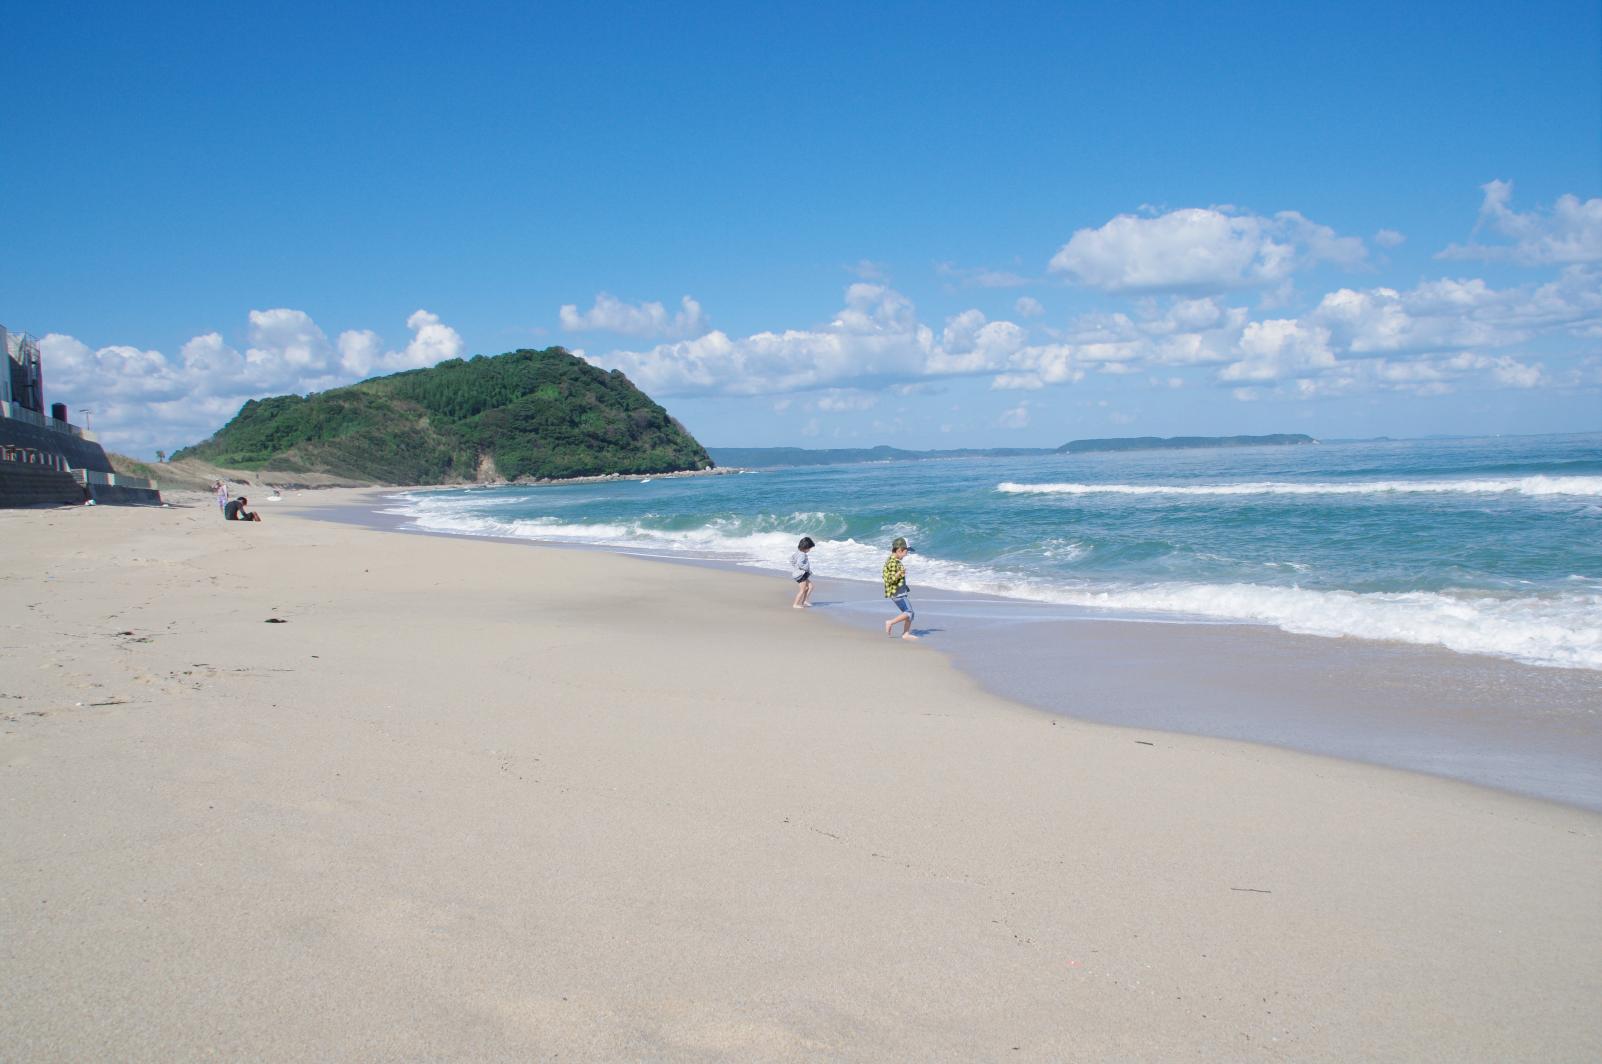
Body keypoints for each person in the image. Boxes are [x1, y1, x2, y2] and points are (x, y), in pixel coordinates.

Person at [882, 536, 917, 640]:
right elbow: (891, 579)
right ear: (899, 550)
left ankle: (905, 633)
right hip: (898, 594)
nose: (906, 555)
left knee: (909, 613)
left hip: (898, 593)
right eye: (906, 552)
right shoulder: (893, 562)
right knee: (909, 612)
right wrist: (899, 573)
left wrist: (904, 585)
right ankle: (890, 622)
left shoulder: (892, 560)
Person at [790, 536, 815, 609]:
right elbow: (800, 564)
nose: (810, 550)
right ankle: (795, 604)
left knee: (810, 587)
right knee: (803, 589)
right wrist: (806, 569)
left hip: (800, 574)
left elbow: (791, 560)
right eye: (809, 548)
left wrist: (796, 567)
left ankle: (804, 601)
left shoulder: (797, 553)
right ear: (806, 547)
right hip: (800, 575)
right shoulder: (802, 555)